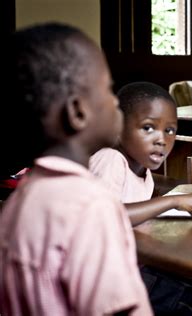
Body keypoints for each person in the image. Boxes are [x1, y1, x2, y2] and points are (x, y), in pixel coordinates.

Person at [0, 23, 152, 315]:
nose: (116, 102)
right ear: (78, 112)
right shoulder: (90, 204)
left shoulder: (21, 199)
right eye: (108, 89)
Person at [89, 81, 192, 315]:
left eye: (170, 130)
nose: (161, 139)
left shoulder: (145, 174)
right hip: (99, 280)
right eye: (147, 128)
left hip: (127, 267)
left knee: (187, 278)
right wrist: (172, 201)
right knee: (182, 292)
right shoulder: (111, 160)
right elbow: (104, 218)